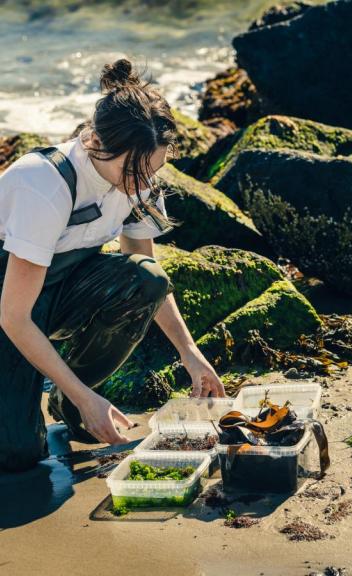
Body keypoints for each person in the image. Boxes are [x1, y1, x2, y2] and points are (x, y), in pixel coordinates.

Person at [0, 58, 226, 473]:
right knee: (14, 456)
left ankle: (70, 401)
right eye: (135, 170)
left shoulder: (138, 182)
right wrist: (90, 399)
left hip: (57, 292)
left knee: (146, 280)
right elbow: (13, 317)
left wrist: (190, 353)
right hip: (8, 309)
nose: (144, 184)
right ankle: (70, 399)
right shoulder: (44, 185)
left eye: (153, 170)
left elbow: (147, 275)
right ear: (97, 143)